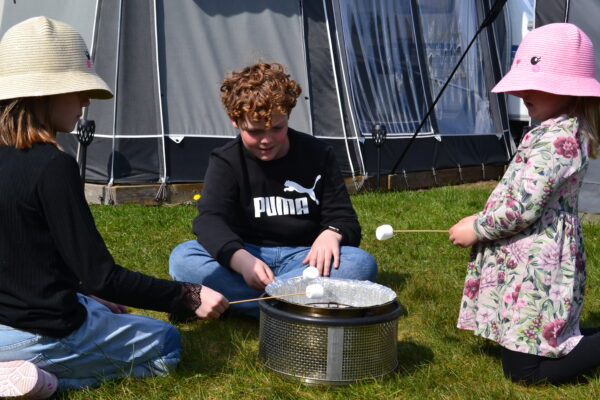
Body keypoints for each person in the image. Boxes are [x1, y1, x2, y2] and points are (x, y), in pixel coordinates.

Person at [0, 17, 229, 399]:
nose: (86, 102)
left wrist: (83, 291)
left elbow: (27, 252)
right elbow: (104, 275)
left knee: (101, 309)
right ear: (45, 93)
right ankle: (48, 379)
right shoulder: (51, 166)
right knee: (167, 343)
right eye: (77, 90)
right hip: (44, 332)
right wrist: (188, 296)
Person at [449, 23, 600, 385]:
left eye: (540, 83)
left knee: (526, 373)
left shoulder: (560, 138)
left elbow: (523, 209)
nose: (524, 91)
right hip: (527, 254)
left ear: (570, 89)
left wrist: (478, 228)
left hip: (541, 260)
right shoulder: (551, 127)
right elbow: (520, 193)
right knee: (526, 335)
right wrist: (482, 215)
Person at [169, 62, 377, 317]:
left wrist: (332, 234)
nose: (266, 140)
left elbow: (344, 220)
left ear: (288, 116)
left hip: (305, 258)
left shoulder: (318, 154)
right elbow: (209, 221)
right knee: (182, 257)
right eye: (255, 132)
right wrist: (241, 259)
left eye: (277, 128)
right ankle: (294, 304)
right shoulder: (226, 160)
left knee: (360, 263)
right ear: (235, 121)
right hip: (247, 253)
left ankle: (242, 305)